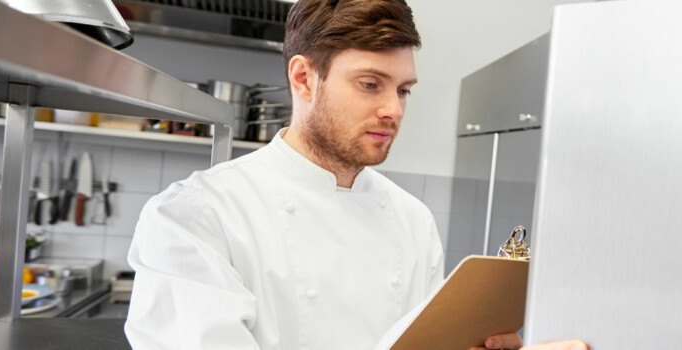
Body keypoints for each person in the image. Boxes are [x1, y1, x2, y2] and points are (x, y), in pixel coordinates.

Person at [124, 0, 585, 349]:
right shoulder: (195, 216)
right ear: (304, 78)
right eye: (370, 84)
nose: (393, 110)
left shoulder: (412, 219)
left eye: (403, 90)